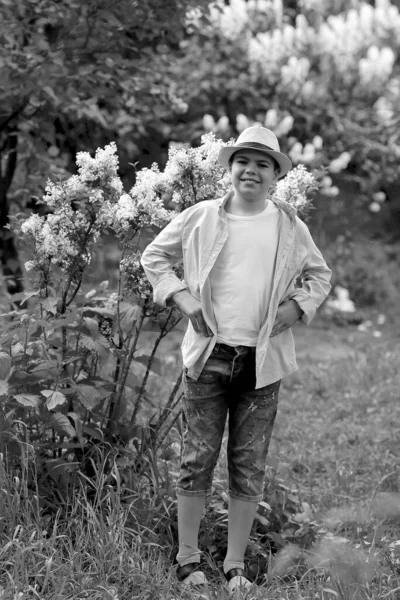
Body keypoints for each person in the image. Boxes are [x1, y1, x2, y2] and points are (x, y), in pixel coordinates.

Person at [140, 126, 332, 594]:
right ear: (229, 169)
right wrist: (183, 299)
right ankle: (187, 558)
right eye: (243, 161)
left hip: (260, 362)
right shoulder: (201, 216)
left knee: (249, 463)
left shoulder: (288, 225)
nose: (251, 169)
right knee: (198, 456)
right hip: (208, 357)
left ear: (274, 176)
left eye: (263, 163)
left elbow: (319, 274)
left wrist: (298, 305)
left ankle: (235, 562)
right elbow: (154, 257)